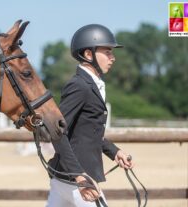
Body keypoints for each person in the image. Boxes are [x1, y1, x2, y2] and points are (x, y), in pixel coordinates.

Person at [46, 24, 134, 207]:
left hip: (64, 178)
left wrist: (114, 151)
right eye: (108, 52)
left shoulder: (93, 84)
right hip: (78, 180)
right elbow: (57, 132)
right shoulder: (80, 85)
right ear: (88, 54)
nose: (113, 58)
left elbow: (87, 131)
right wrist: (79, 176)